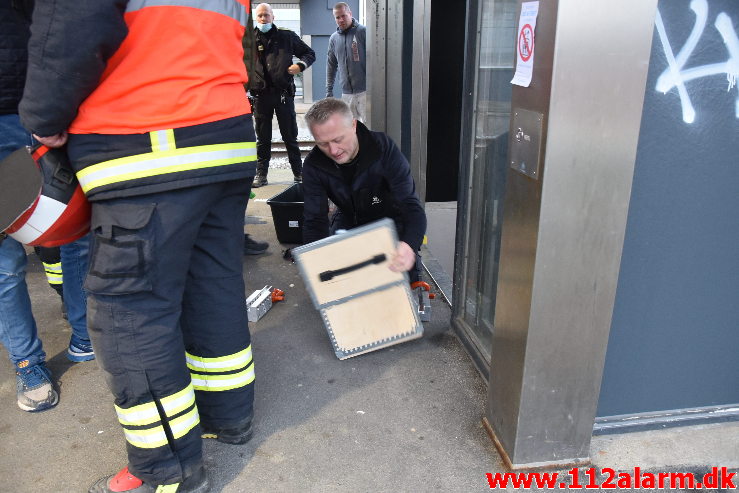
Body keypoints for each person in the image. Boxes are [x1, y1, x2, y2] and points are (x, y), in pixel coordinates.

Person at [20, 1, 257, 492]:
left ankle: (167, 469)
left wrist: (42, 116)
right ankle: (228, 417)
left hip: (145, 140)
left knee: (129, 313)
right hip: (224, 134)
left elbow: (72, 21)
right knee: (211, 284)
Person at [0, 0, 93, 415]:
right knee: (5, 264)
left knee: (73, 229)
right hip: (25, 107)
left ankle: (85, 333)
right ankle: (27, 361)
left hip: (31, 105)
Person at [302, 98, 426, 282]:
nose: (333, 150)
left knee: (400, 280)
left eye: (338, 139)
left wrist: (408, 245)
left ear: (353, 125)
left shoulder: (383, 148)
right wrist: (316, 262)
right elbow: (314, 220)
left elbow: (411, 205)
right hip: (349, 220)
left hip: (391, 220)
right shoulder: (314, 165)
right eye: (323, 144)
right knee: (341, 280)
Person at [250, 2, 316, 188]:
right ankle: (261, 175)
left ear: (273, 17)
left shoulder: (286, 36)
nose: (263, 19)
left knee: (290, 137)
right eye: (260, 16)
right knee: (262, 139)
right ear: (257, 18)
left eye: (266, 15)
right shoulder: (249, 39)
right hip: (261, 96)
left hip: (283, 95)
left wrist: (300, 66)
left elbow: (309, 53)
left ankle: (299, 174)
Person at [326, 2, 367, 122]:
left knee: (369, 129)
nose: (341, 20)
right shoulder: (334, 38)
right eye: (337, 17)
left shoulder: (363, 32)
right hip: (346, 94)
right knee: (349, 130)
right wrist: (329, 90)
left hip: (365, 92)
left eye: (343, 15)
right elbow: (331, 65)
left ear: (350, 14)